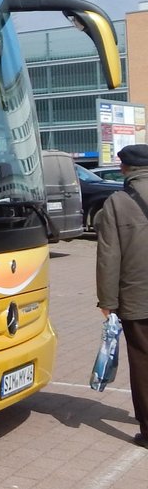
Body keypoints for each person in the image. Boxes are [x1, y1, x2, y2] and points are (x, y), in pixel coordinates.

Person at [96, 143, 148, 447]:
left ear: (125, 168)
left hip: (137, 297)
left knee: (142, 361)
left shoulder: (117, 201)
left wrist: (107, 301)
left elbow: (108, 256)